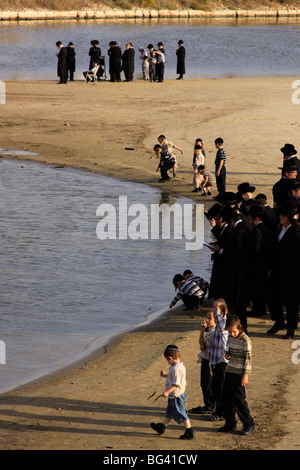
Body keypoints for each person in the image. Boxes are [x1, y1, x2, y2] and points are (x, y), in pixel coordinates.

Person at [266, 200, 300, 339]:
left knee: (291, 301)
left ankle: (291, 329)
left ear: (290, 217)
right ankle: (279, 322)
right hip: (277, 269)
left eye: (283, 215)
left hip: (292, 272)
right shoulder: (279, 228)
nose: (280, 216)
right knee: (272, 297)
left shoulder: (296, 231)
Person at [150, 344, 195, 440]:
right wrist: (165, 375)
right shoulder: (176, 366)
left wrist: (167, 392)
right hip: (173, 395)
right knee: (169, 412)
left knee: (181, 413)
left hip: (176, 396)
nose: (167, 362)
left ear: (170, 358)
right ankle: (162, 427)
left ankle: (190, 431)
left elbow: (176, 384)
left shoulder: (177, 369)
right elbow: (172, 379)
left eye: (167, 360)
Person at [219, 315, 255, 435]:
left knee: (239, 400)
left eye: (234, 331)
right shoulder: (230, 337)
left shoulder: (246, 340)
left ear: (240, 328)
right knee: (226, 398)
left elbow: (248, 360)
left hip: (239, 373)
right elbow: (230, 350)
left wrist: (246, 375)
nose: (232, 333)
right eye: (229, 331)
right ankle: (230, 423)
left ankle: (248, 424)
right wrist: (227, 354)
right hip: (230, 370)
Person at [248, 204, 271, 316]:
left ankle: (257, 310)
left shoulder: (256, 230)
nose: (249, 221)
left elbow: (255, 249)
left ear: (255, 219)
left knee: (256, 288)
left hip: (257, 264)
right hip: (265, 264)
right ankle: (261, 309)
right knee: (261, 288)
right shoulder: (265, 229)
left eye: (250, 219)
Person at [191, 312, 216, 414]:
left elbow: (203, 346)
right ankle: (207, 404)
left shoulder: (215, 332)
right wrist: (202, 330)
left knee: (208, 384)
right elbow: (201, 344)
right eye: (207, 317)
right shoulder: (209, 330)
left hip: (210, 361)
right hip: (205, 359)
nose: (207, 320)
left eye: (210, 318)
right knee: (204, 383)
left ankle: (210, 405)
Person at [208, 299, 229, 421]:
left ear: (224, 311)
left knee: (220, 388)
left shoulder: (224, 323)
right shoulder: (217, 326)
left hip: (222, 361)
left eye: (217, 308)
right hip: (215, 361)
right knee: (216, 387)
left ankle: (221, 412)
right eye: (213, 307)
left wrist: (217, 313)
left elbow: (221, 326)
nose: (214, 310)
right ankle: (218, 410)